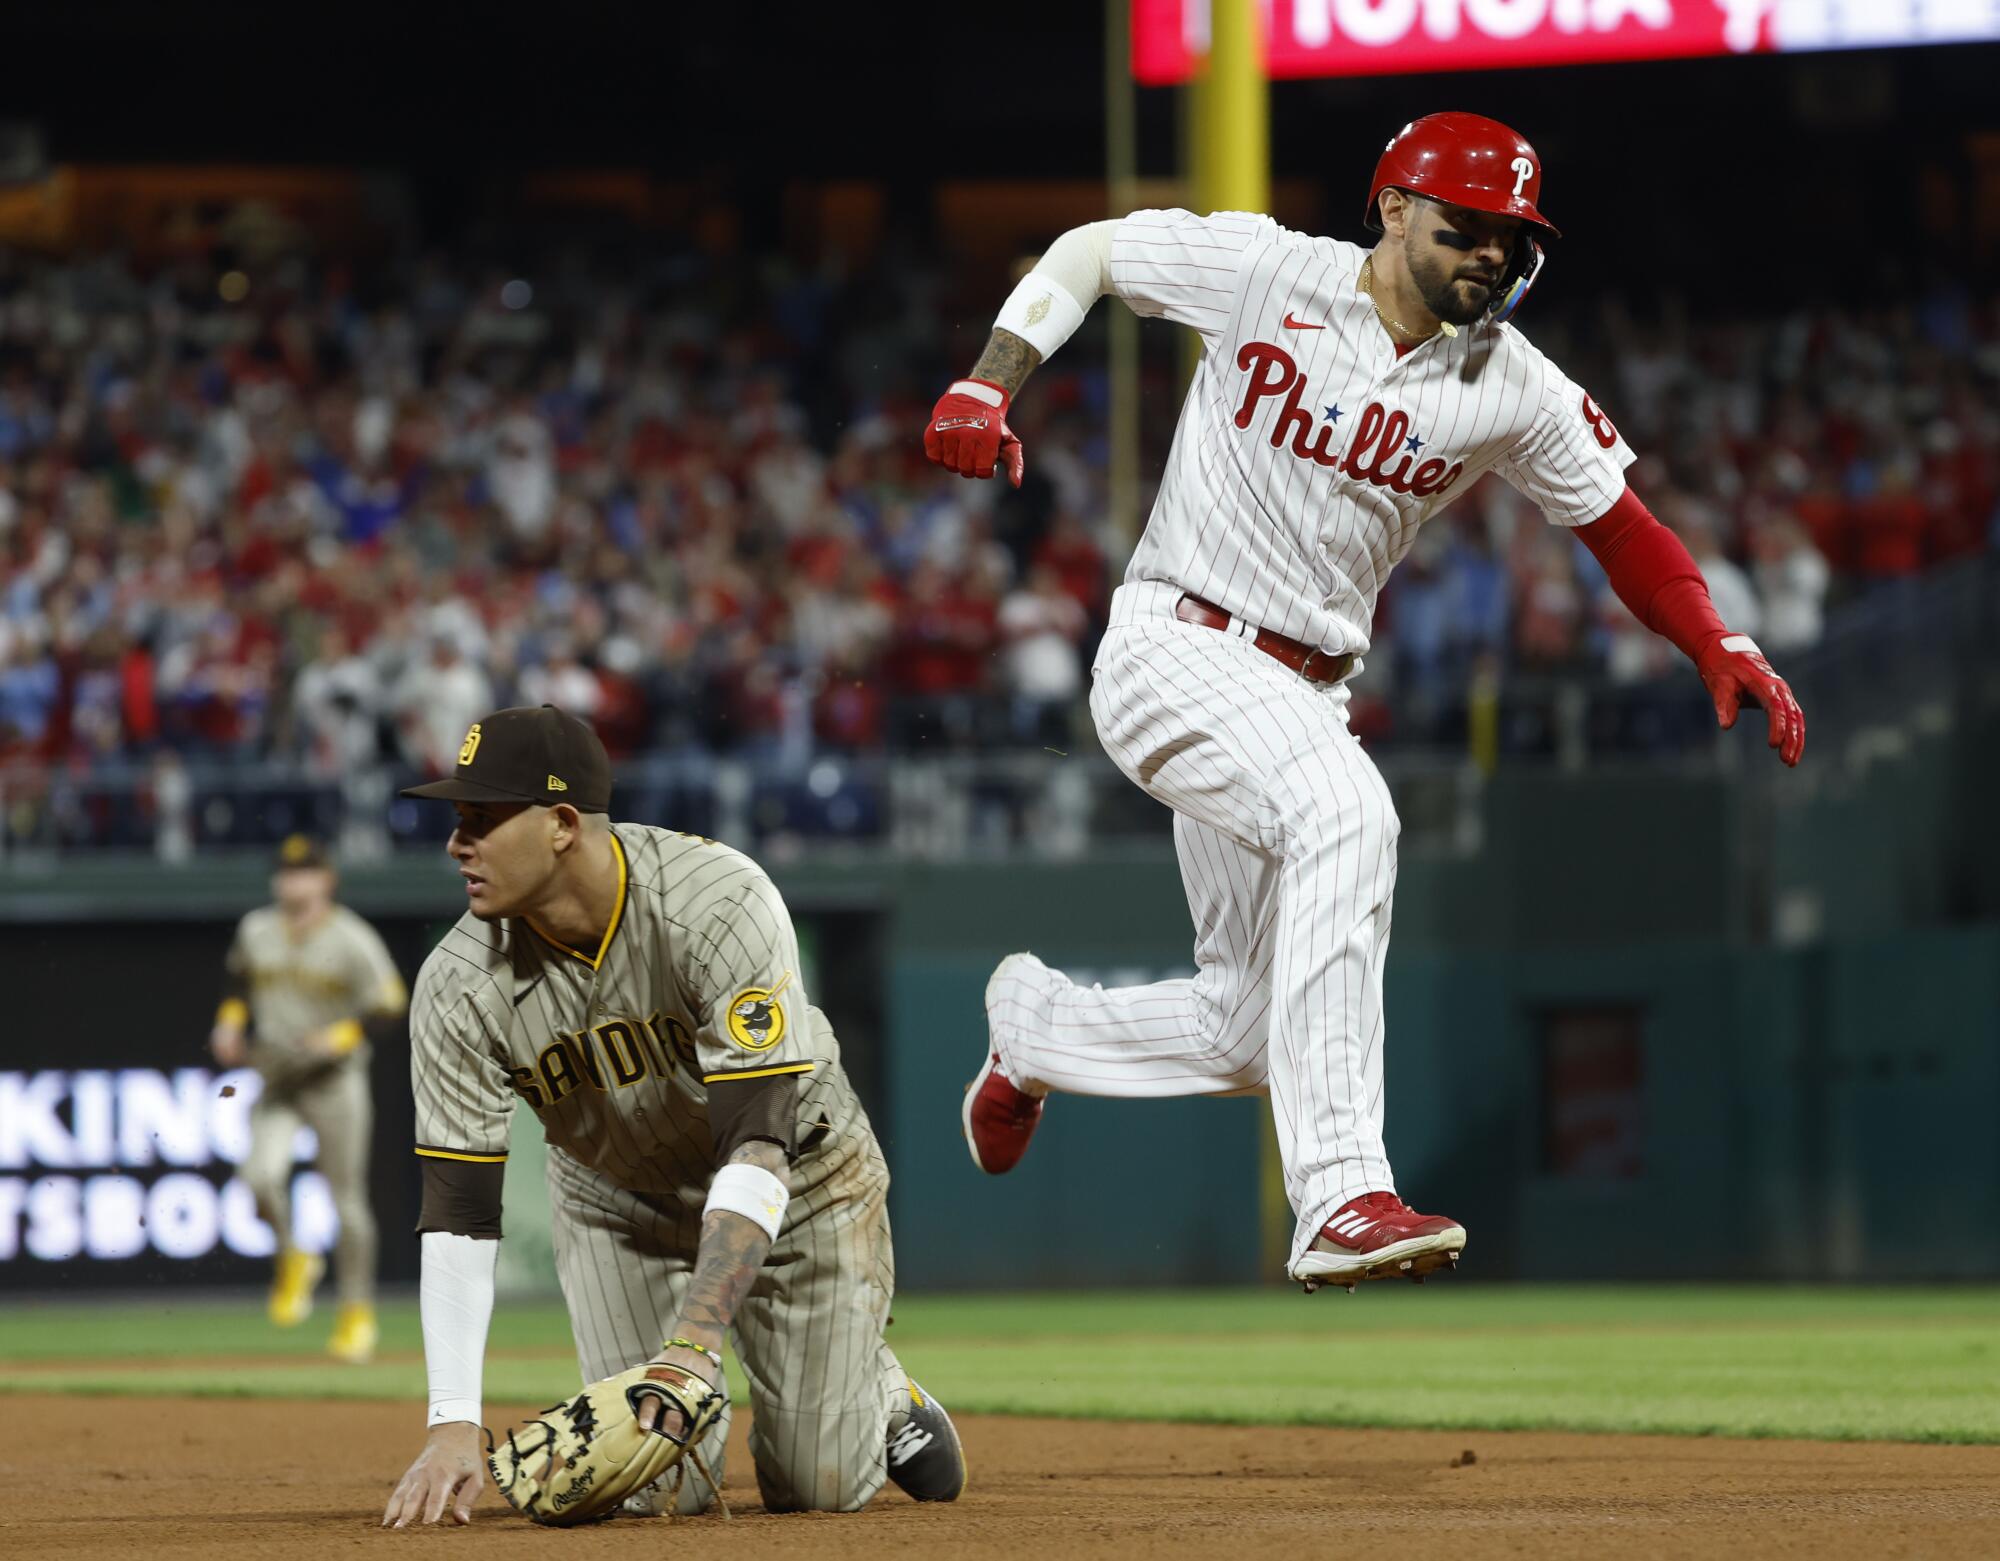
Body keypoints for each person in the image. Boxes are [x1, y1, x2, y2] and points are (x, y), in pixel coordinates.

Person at [923, 111, 1805, 1294]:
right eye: (1467, 226)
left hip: (1294, 700)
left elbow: (1620, 526)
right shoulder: (1266, 270)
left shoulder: (1508, 382)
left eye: (1511, 235)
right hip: (1173, 645)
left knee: (1249, 1030)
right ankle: (1339, 1191)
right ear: (1391, 208)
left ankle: (1033, 1032)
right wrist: (990, 384)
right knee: (1347, 815)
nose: (1491, 253)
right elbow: (1089, 250)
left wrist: (1713, 634)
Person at [379, 704, 963, 1527]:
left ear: (560, 823)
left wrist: (691, 1346)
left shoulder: (714, 901)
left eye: (482, 817)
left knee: (818, 1484)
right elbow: (459, 1215)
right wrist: (451, 1422)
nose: (456, 842)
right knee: (657, 1487)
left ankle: (878, 1389)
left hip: (797, 1179)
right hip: (621, 1202)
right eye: (456, 819)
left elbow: (757, 1139)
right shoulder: (457, 983)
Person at [209, 834, 406, 1359]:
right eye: (285, 872)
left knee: (346, 1200)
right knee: (256, 1177)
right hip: (276, 1074)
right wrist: (229, 1023)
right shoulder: (257, 928)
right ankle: (296, 1257)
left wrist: (341, 1035)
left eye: (304, 872)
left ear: (326, 879)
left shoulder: (351, 938)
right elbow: (238, 980)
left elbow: (389, 1001)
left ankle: (356, 1314)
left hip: (332, 1079)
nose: (291, 881)